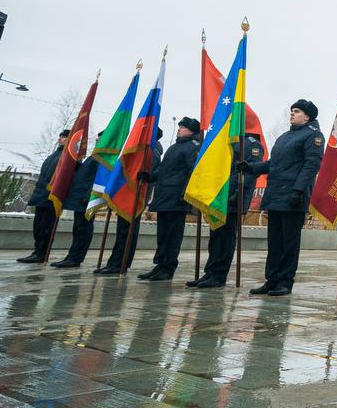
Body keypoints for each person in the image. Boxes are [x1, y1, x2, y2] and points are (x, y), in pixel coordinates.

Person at [244, 99, 324, 297]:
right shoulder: (284, 137)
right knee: (275, 242)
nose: (292, 113)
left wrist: (298, 190)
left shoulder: (313, 136)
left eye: (297, 111)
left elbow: (311, 165)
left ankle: (285, 282)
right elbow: (273, 164)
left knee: (289, 243)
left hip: (293, 197)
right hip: (276, 195)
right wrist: (251, 168)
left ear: (307, 116)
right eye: (292, 111)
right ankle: (272, 280)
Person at [188, 132, 264, 288]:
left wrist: (237, 195)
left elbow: (249, 174)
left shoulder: (251, 144)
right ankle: (210, 272)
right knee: (215, 237)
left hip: (233, 198)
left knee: (226, 239)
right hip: (219, 197)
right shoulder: (227, 140)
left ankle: (219, 275)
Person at [135, 117, 201, 282]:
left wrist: (184, 194)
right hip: (164, 197)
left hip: (177, 199)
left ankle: (168, 268)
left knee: (172, 236)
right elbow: (165, 170)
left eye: (183, 127)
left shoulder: (193, 147)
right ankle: (160, 265)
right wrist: (150, 176)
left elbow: (193, 173)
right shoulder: (175, 147)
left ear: (192, 131)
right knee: (163, 235)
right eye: (179, 126)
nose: (179, 129)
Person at [96, 132, 163, 275]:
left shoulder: (152, 151)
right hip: (127, 194)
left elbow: (145, 174)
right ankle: (115, 262)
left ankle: (120, 264)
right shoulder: (142, 149)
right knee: (122, 231)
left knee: (127, 232)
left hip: (136, 196)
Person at [49, 139, 100, 268]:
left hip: (86, 199)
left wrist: (89, 196)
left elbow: (98, 179)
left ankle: (75, 258)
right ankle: (71, 256)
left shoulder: (102, 157)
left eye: (100, 138)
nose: (96, 140)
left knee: (83, 229)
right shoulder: (94, 156)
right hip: (79, 198)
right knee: (78, 228)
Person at [19, 130, 67, 263]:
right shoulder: (54, 155)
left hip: (51, 198)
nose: (60, 139)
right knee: (38, 227)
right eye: (60, 136)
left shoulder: (67, 156)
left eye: (64, 137)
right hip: (41, 196)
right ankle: (37, 251)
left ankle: (41, 254)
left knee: (46, 228)